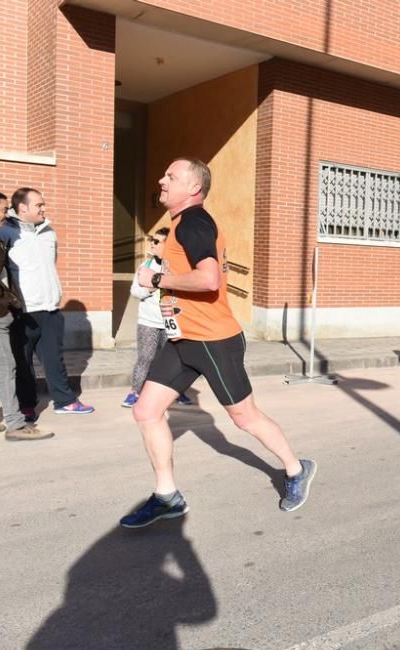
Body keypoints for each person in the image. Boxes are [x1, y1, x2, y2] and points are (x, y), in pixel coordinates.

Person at [121, 158, 315, 528]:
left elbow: (209, 280)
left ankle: (295, 469)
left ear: (193, 188)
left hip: (213, 340)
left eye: (171, 176)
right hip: (181, 339)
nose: (161, 179)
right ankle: (167, 496)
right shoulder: (183, 224)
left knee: (244, 418)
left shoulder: (194, 221)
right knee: (146, 411)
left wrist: (157, 279)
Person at [0, 188, 94, 419]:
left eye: (43, 204)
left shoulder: (49, 232)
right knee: (22, 362)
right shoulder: (6, 233)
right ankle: (27, 405)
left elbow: (51, 265)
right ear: (23, 208)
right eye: (38, 205)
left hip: (50, 308)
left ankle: (65, 401)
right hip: (23, 311)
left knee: (54, 358)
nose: (43, 209)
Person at [0, 192, 53, 441]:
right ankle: (16, 426)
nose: (6, 215)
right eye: (3, 210)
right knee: (6, 366)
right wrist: (6, 305)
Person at [122, 227, 191, 408]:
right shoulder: (145, 266)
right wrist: (150, 287)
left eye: (157, 241)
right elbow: (135, 291)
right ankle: (135, 392)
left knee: (174, 360)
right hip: (148, 322)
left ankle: (176, 392)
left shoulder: (178, 268)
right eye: (152, 240)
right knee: (146, 357)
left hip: (172, 322)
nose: (152, 244)